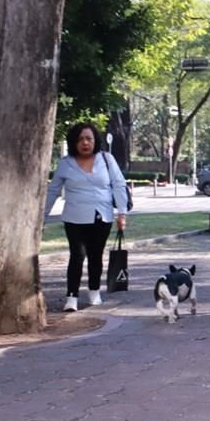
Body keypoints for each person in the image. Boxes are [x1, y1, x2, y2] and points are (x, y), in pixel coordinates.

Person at [44, 122, 129, 311]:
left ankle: (94, 291)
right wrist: (42, 216)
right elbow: (53, 191)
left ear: (95, 140)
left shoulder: (106, 159)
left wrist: (122, 213)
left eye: (89, 139)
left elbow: (119, 185)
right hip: (74, 218)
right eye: (80, 139)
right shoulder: (66, 163)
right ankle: (71, 297)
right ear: (74, 142)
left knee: (95, 256)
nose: (85, 143)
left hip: (102, 216)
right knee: (77, 255)